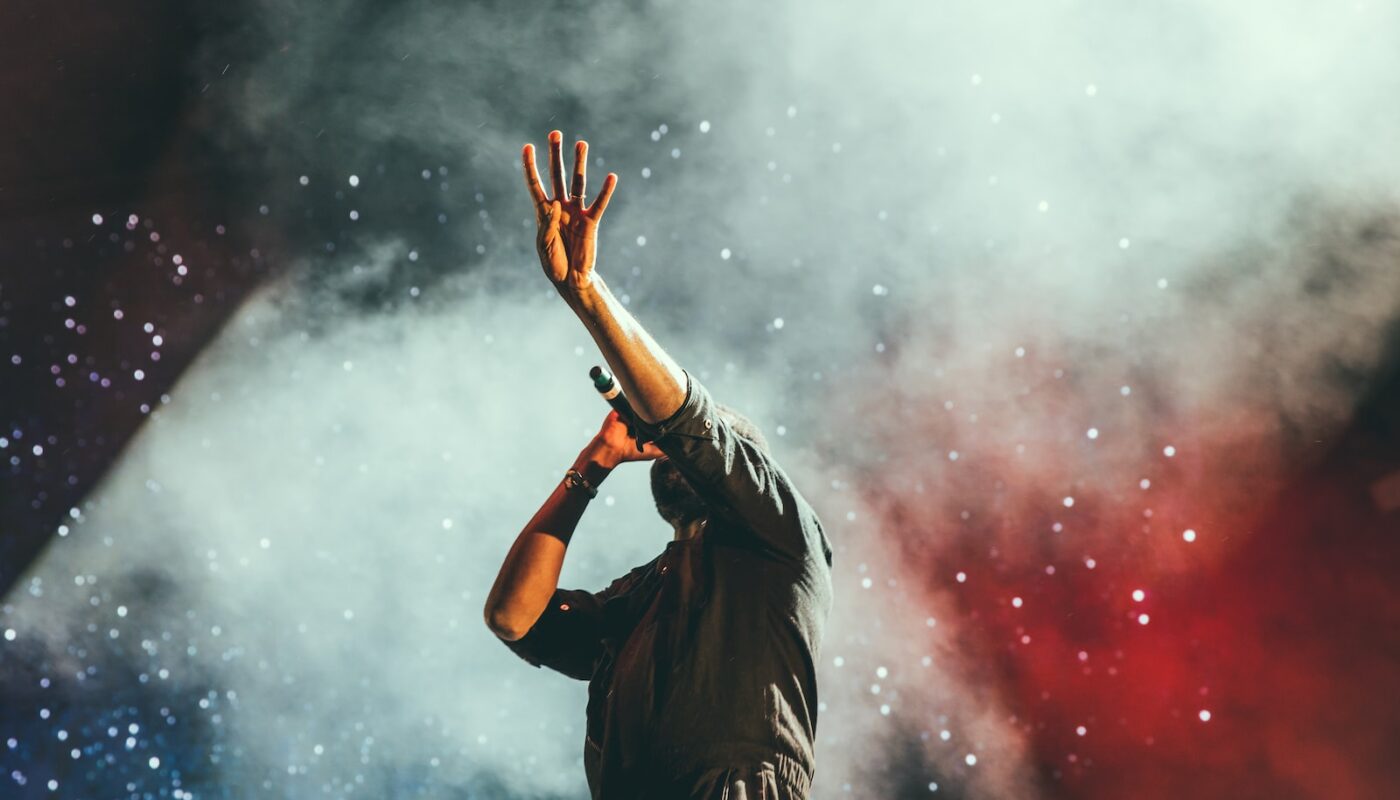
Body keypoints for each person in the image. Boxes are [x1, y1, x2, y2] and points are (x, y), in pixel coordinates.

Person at [484, 130, 834, 800]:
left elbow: (690, 421)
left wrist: (588, 295)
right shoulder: (640, 596)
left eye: (696, 448)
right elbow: (514, 618)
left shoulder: (782, 536)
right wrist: (593, 464)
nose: (670, 448)